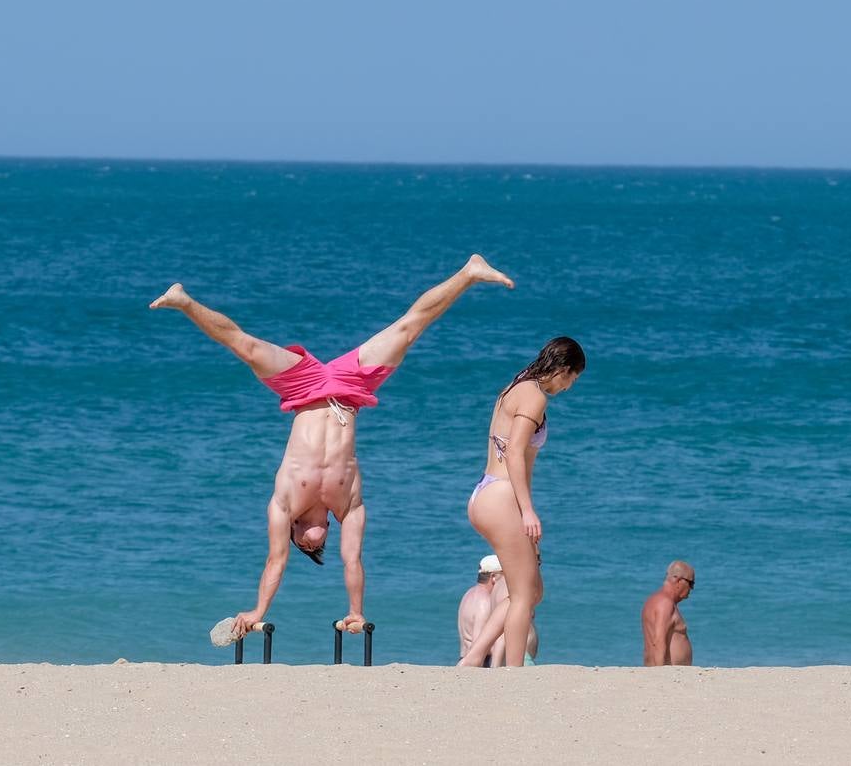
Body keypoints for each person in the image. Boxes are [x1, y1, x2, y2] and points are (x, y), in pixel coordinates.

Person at [151, 255, 513, 639]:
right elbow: (352, 559)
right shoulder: (348, 505)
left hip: (302, 386)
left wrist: (258, 608)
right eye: (317, 549)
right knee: (408, 329)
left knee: (245, 345)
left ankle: (183, 300)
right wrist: (356, 611)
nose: (314, 546)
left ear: (296, 531)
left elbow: (275, 561)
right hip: (350, 390)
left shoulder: (283, 504)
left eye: (307, 548)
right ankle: (469, 275)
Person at [458, 337, 585, 667]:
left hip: (488, 494)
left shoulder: (517, 384)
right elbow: (514, 452)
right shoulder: (534, 396)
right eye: (573, 379)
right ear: (563, 369)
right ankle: (514, 674)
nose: (570, 387)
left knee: (531, 589)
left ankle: (473, 659)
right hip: (502, 497)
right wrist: (528, 510)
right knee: (523, 596)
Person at [458, 555, 540, 667]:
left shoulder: (469, 595)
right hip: (483, 662)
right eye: (503, 574)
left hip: (467, 656)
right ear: (493, 577)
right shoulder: (484, 601)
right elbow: (479, 640)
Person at [641, 560, 695, 666]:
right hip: (669, 673)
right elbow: (658, 642)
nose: (692, 589)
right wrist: (661, 675)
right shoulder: (665, 604)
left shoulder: (654, 600)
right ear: (679, 581)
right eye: (691, 583)